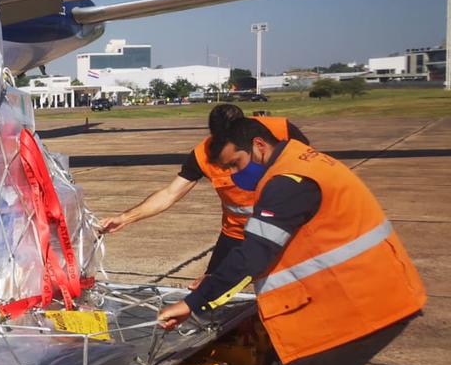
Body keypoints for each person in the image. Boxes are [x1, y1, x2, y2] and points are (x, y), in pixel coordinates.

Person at [156, 118, 425, 365]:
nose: (232, 176)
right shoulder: (298, 162)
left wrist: (193, 302)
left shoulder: (288, 183)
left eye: (236, 164)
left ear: (260, 146)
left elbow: (253, 255)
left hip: (363, 306)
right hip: (352, 295)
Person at [99, 104, 310, 281]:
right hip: (237, 233)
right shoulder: (203, 155)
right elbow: (170, 194)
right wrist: (124, 218)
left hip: (289, 229)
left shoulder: (280, 131)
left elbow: (312, 168)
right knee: (209, 288)